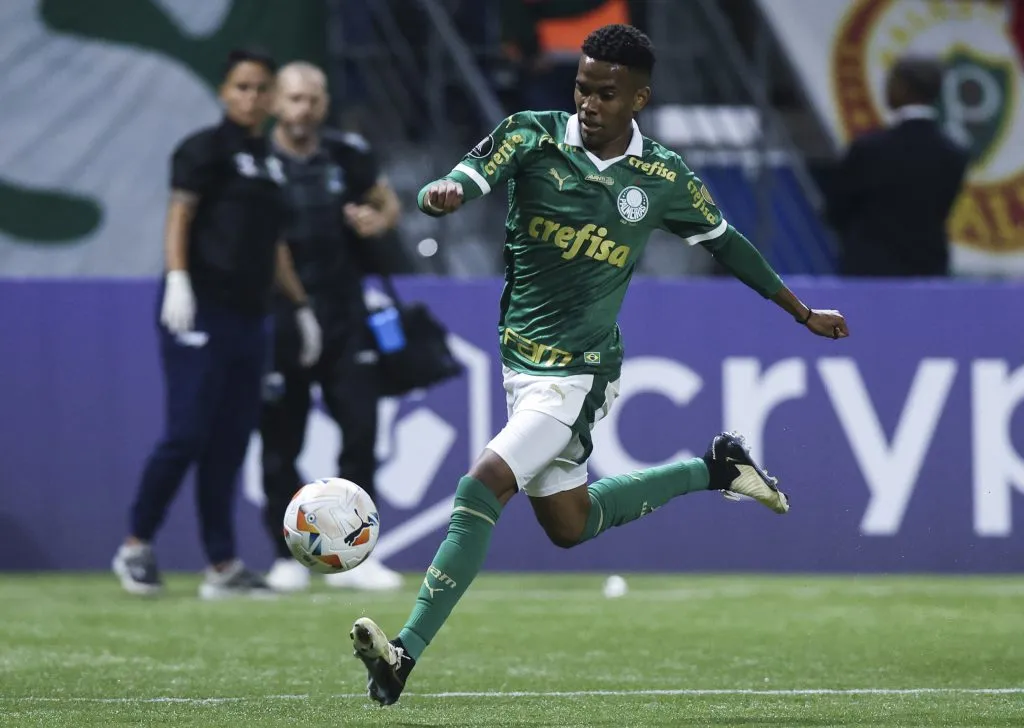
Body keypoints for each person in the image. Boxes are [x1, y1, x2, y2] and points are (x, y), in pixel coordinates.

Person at [346, 24, 850, 705]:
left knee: (481, 487)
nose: (588, 103)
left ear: (639, 99)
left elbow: (727, 243)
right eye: (582, 87)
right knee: (569, 525)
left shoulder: (662, 178)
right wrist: (446, 192)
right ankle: (716, 468)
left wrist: (802, 311)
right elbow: (467, 174)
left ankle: (403, 655)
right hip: (521, 363)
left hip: (580, 373)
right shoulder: (531, 135)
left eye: (607, 94)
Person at [112, 48, 322, 600]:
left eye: (260, 88)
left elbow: (274, 245)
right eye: (241, 87)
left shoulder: (271, 163)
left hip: (252, 316)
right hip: (199, 307)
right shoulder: (202, 149)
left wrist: (300, 306)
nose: (251, 97)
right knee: (186, 433)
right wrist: (178, 277)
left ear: (272, 98)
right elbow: (179, 213)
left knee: (229, 442)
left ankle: (222, 564)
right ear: (225, 92)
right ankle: (136, 544)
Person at [259, 62, 404, 593]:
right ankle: (284, 555)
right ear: (277, 102)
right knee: (280, 439)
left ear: (324, 104)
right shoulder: (257, 161)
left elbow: (387, 202)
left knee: (361, 432)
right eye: (294, 98)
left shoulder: (348, 153)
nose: (304, 109)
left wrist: (377, 220)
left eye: (313, 99)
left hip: (345, 312)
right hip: (283, 315)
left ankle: (356, 554)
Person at [829, 55, 970, 277]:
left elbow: (836, 211)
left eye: (891, 82)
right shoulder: (953, 153)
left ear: (904, 88)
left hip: (868, 271)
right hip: (928, 269)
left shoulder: (868, 149)